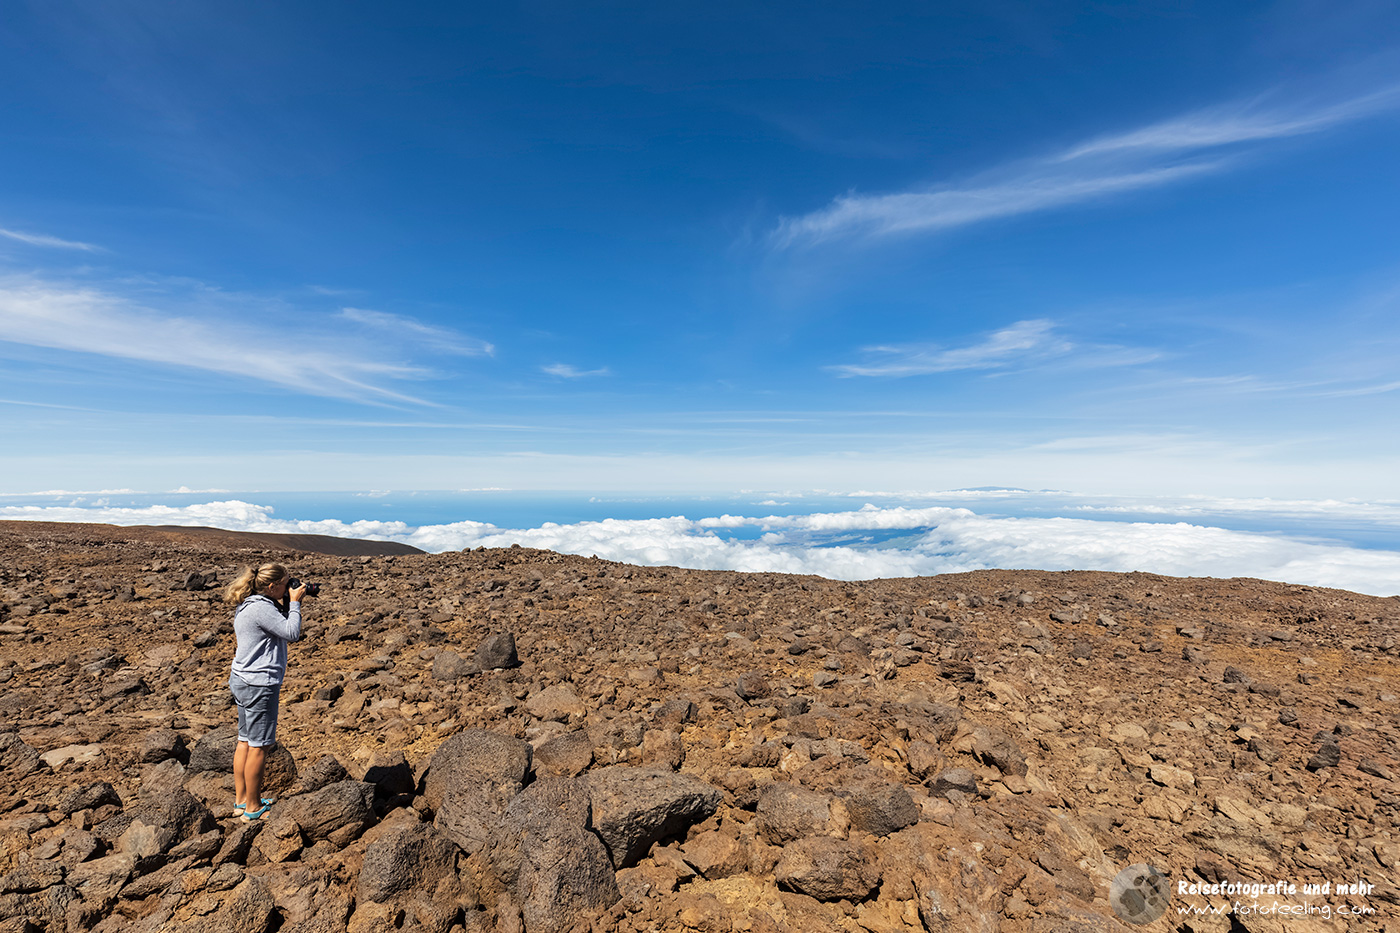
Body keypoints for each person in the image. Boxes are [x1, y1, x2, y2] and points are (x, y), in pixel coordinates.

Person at [223, 562, 306, 821]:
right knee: (259, 747)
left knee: (245, 741)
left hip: (242, 678)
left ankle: (241, 801)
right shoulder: (262, 609)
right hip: (259, 684)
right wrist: (294, 603)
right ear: (272, 587)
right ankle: (253, 807)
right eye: (285, 584)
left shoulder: (248, 604)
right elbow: (292, 632)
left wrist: (285, 600)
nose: (289, 587)